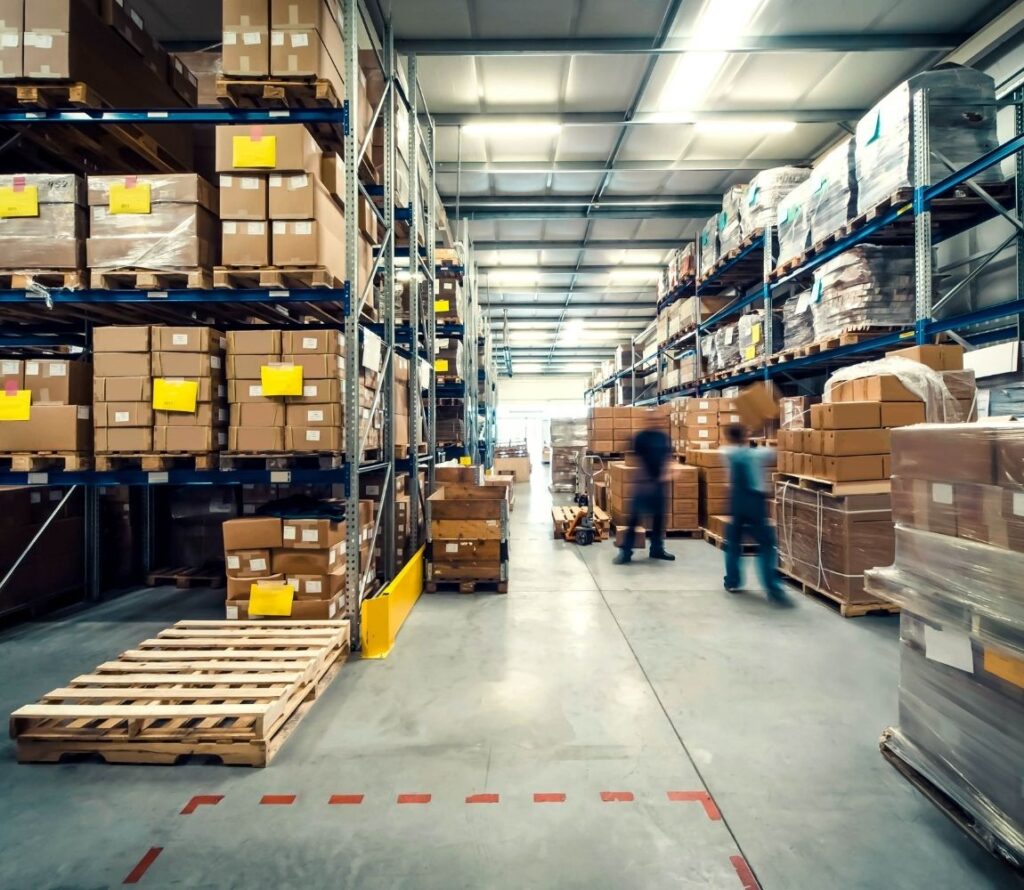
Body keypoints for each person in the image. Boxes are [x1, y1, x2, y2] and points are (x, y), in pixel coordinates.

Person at [721, 423, 790, 604]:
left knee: (733, 543)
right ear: (744, 436)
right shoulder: (756, 454)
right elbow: (775, 451)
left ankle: (732, 581)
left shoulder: (726, 453)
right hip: (754, 503)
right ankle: (772, 588)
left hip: (735, 502)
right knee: (766, 544)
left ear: (728, 438)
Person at [613, 414, 674, 564]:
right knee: (634, 519)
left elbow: (668, 458)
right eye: (651, 419)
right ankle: (626, 552)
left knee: (659, 519)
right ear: (646, 421)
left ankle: (657, 549)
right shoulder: (640, 437)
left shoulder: (663, 437)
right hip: (643, 485)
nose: (654, 421)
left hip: (659, 485)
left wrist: (668, 473)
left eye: (656, 419)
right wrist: (644, 481)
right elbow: (636, 460)